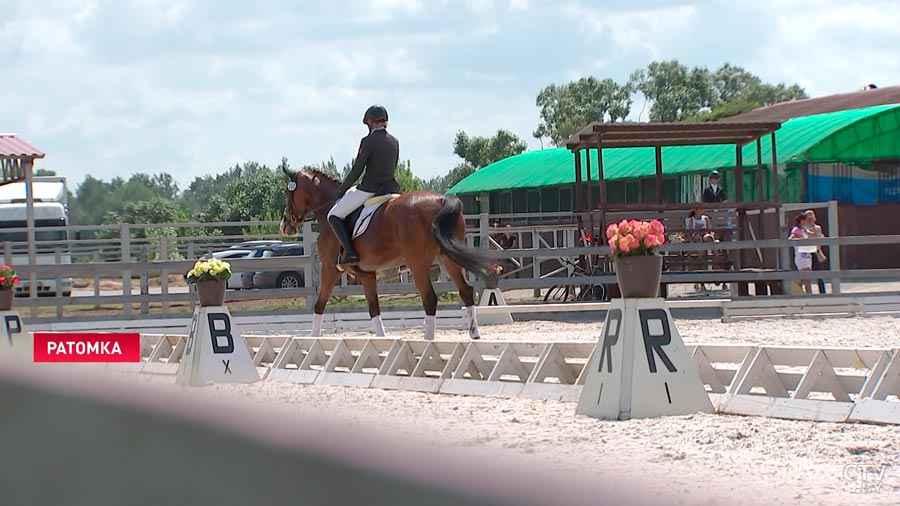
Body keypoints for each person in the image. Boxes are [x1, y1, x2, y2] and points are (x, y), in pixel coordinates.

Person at [327, 105, 400, 265]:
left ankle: (350, 253)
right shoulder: (395, 141)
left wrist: (341, 189)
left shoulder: (368, 141)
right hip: (390, 189)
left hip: (369, 190)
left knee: (333, 215)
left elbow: (357, 169)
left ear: (370, 122)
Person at [804, 209, 828, 294]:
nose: (810, 217)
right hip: (806, 253)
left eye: (812, 215)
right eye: (808, 216)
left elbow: (819, 238)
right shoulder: (803, 228)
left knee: (819, 274)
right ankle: (808, 293)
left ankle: (822, 292)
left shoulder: (817, 228)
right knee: (806, 275)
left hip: (816, 252)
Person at [789, 213, 814, 294]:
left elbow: (812, 236)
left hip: (807, 255)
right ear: (802, 221)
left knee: (804, 277)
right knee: (806, 278)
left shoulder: (805, 229)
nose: (808, 222)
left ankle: (794, 290)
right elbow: (791, 237)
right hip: (801, 256)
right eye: (807, 220)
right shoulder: (796, 229)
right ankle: (809, 295)